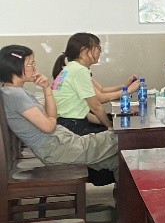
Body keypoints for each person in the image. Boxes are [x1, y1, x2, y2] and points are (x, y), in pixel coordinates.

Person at [1, 45, 119, 179]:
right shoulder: (16, 96)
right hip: (58, 150)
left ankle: (123, 192)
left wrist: (47, 88)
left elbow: (50, 117)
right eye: (30, 64)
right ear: (15, 67)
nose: (34, 67)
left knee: (118, 161)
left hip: (61, 145)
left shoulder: (13, 92)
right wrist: (51, 119)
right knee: (124, 138)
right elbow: (49, 126)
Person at [51, 32, 139, 135]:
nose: (100, 52)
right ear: (84, 50)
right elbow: (96, 105)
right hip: (73, 126)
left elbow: (85, 111)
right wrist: (110, 127)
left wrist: (109, 124)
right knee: (125, 136)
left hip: (68, 123)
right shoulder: (79, 71)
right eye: (98, 48)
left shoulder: (72, 68)